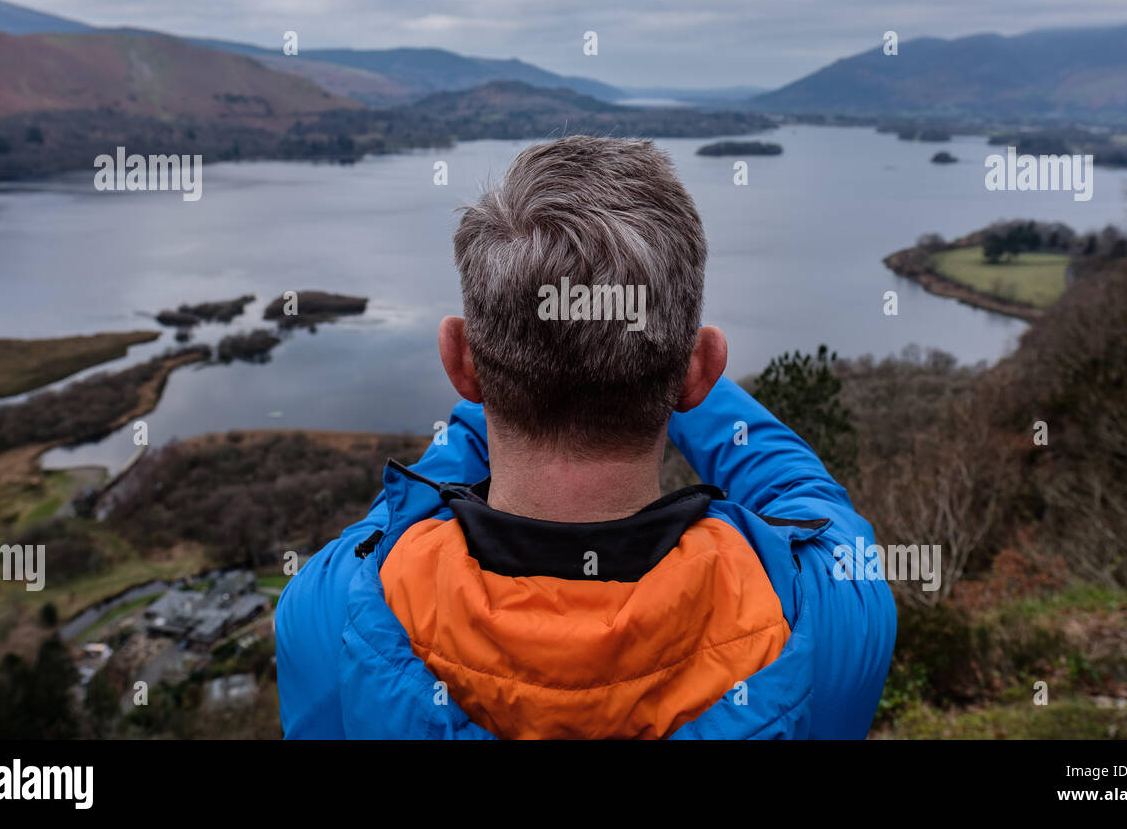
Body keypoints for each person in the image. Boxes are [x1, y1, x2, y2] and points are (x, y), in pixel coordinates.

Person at [276, 135, 896, 739]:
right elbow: (799, 488)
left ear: (459, 361)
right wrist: (659, 367)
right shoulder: (828, 615)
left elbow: (405, 506)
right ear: (703, 370)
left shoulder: (330, 613)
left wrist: (515, 369)